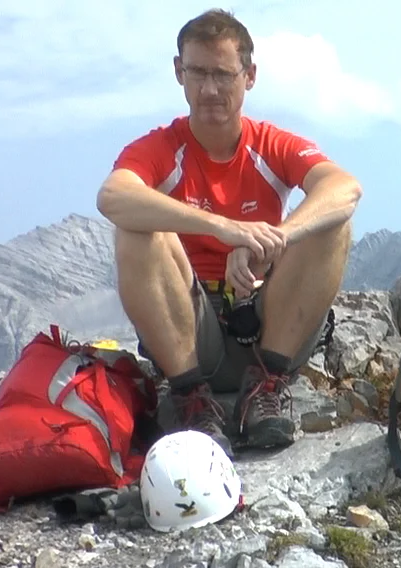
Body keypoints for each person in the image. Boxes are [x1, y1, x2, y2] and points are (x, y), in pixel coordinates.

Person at [98, 9, 362, 455]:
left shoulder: (271, 144)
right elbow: (113, 197)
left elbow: (344, 188)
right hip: (192, 337)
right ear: (178, 72)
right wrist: (224, 228)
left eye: (223, 74)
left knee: (331, 223)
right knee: (137, 227)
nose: (209, 89)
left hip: (268, 328)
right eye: (197, 72)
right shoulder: (161, 148)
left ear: (249, 76)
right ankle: (189, 398)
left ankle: (268, 389)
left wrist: (272, 240)